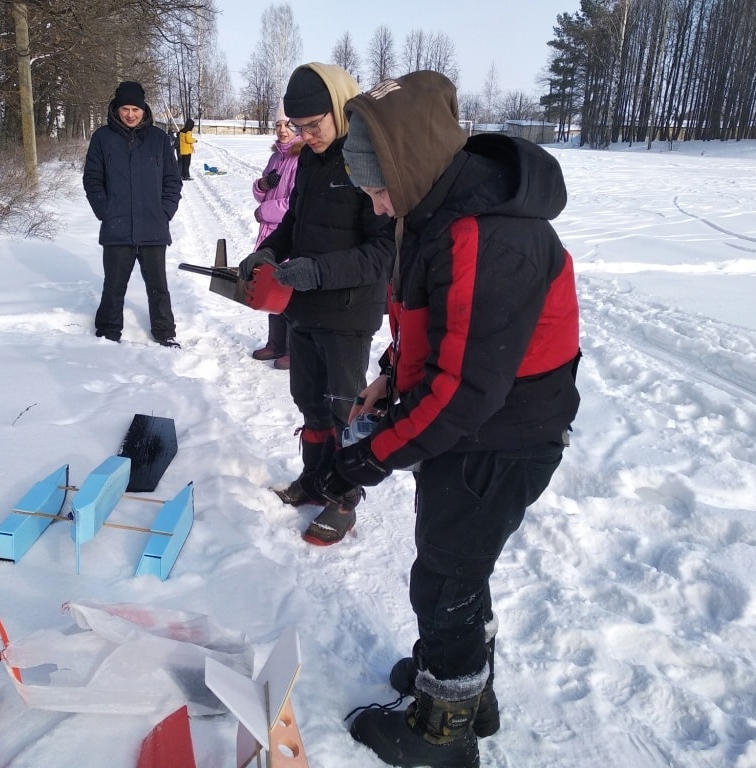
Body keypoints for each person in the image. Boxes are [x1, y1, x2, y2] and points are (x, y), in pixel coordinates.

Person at [311, 71, 581, 767]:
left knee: (446, 576)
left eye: (375, 186)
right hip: (478, 429)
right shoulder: (432, 216)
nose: (372, 203)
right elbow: (431, 332)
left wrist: (372, 457)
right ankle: (463, 687)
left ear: (406, 165)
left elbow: (464, 390)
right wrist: (385, 380)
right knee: (456, 565)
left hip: (503, 437)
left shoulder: (488, 238)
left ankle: (444, 734)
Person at [238, 63, 395, 546]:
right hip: (303, 306)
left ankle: (343, 499)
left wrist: (320, 272)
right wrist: (270, 249)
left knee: (344, 409)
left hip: (348, 312)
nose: (307, 134)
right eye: (299, 126)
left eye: (315, 124)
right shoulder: (309, 159)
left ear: (341, 108)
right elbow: (295, 225)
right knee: (309, 401)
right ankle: (315, 480)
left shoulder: (368, 161)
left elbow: (384, 253)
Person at [82, 81, 182, 347]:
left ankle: (164, 332)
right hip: (117, 227)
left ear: (143, 109)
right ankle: (108, 333)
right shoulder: (102, 138)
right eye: (125, 108)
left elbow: (173, 181)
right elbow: (93, 179)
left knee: (158, 287)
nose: (130, 114)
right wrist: (105, 211)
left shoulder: (159, 140)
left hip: (153, 226)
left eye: (135, 109)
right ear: (116, 109)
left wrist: (165, 213)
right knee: (114, 286)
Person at [249, 99, 303, 371]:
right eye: (279, 125)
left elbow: (294, 205)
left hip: (287, 235)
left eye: (289, 125)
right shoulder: (276, 157)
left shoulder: (301, 157)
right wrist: (261, 185)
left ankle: (294, 350)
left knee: (289, 294)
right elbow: (262, 192)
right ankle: (275, 343)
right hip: (269, 234)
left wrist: (264, 210)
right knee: (271, 289)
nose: (283, 130)